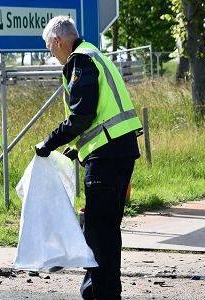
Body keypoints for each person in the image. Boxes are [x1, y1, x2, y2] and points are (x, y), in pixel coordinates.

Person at [35, 16, 143, 300]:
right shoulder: (95, 54)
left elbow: (82, 115)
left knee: (99, 231)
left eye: (50, 48)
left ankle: (103, 294)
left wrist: (48, 143)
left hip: (106, 156)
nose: (52, 54)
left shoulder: (79, 61)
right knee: (106, 228)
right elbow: (102, 115)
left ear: (58, 41)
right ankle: (99, 289)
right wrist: (76, 149)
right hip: (119, 150)